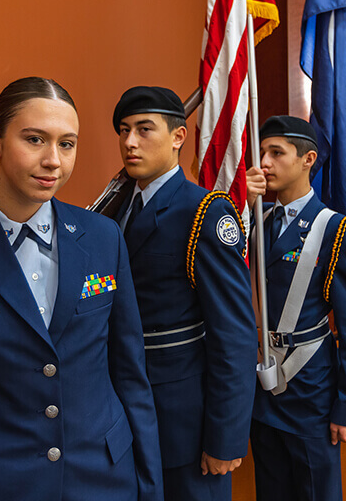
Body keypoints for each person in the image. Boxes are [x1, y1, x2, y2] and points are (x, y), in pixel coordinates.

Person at [0, 77, 163, 501]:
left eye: (67, 144)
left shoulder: (103, 237)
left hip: (102, 479)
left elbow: (131, 375)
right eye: (34, 140)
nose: (53, 161)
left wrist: (150, 488)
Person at [111, 86, 258, 501]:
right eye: (124, 130)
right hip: (122, 404)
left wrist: (226, 436)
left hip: (183, 419)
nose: (130, 142)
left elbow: (234, 334)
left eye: (144, 129)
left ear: (178, 137)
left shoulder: (204, 212)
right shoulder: (116, 207)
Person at [246, 115, 346, 501]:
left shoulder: (337, 228)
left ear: (307, 159)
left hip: (310, 388)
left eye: (276, 153)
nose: (264, 163)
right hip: (261, 386)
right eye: (262, 152)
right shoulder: (256, 222)